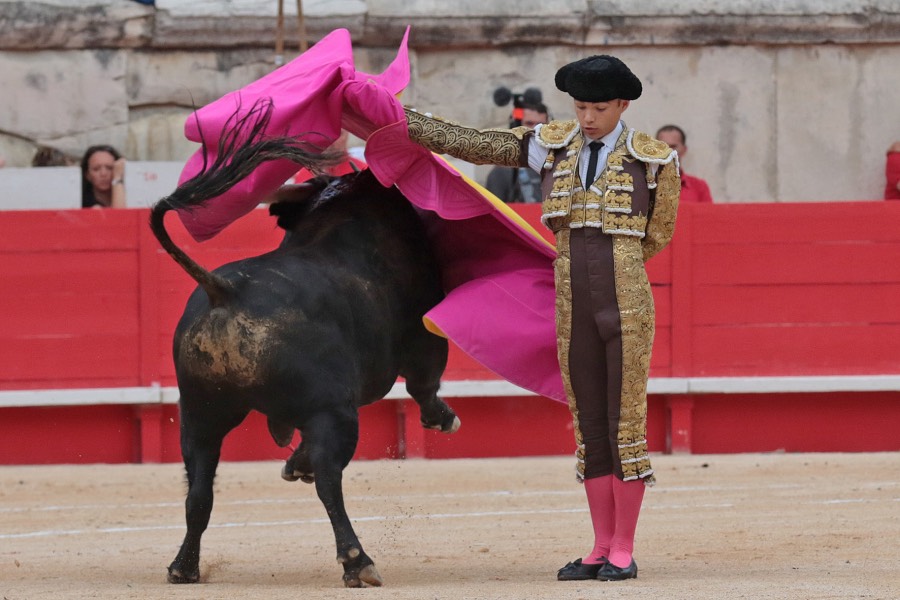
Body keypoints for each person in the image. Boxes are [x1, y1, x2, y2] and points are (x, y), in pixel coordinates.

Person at [403, 55, 679, 582]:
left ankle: (624, 547)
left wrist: (613, 266)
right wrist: (407, 123)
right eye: (580, 106)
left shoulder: (655, 159)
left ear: (622, 105)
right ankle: (599, 546)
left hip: (626, 303)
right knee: (589, 427)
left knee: (625, 425)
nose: (588, 117)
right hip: (571, 300)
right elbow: (475, 143)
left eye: (599, 107)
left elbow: (659, 234)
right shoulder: (549, 144)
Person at [485, 102, 551, 203]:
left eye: (541, 125)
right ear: (515, 126)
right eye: (529, 123)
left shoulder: (556, 166)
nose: (535, 130)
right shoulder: (502, 173)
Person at [654, 124, 712, 204]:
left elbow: (708, 215)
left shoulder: (699, 187)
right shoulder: (643, 185)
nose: (668, 151)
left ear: (684, 150)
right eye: (663, 146)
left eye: (673, 146)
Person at [289, 130, 366, 183]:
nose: (330, 141)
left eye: (338, 135)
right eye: (324, 135)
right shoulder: (300, 175)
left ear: (347, 134)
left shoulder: (363, 172)